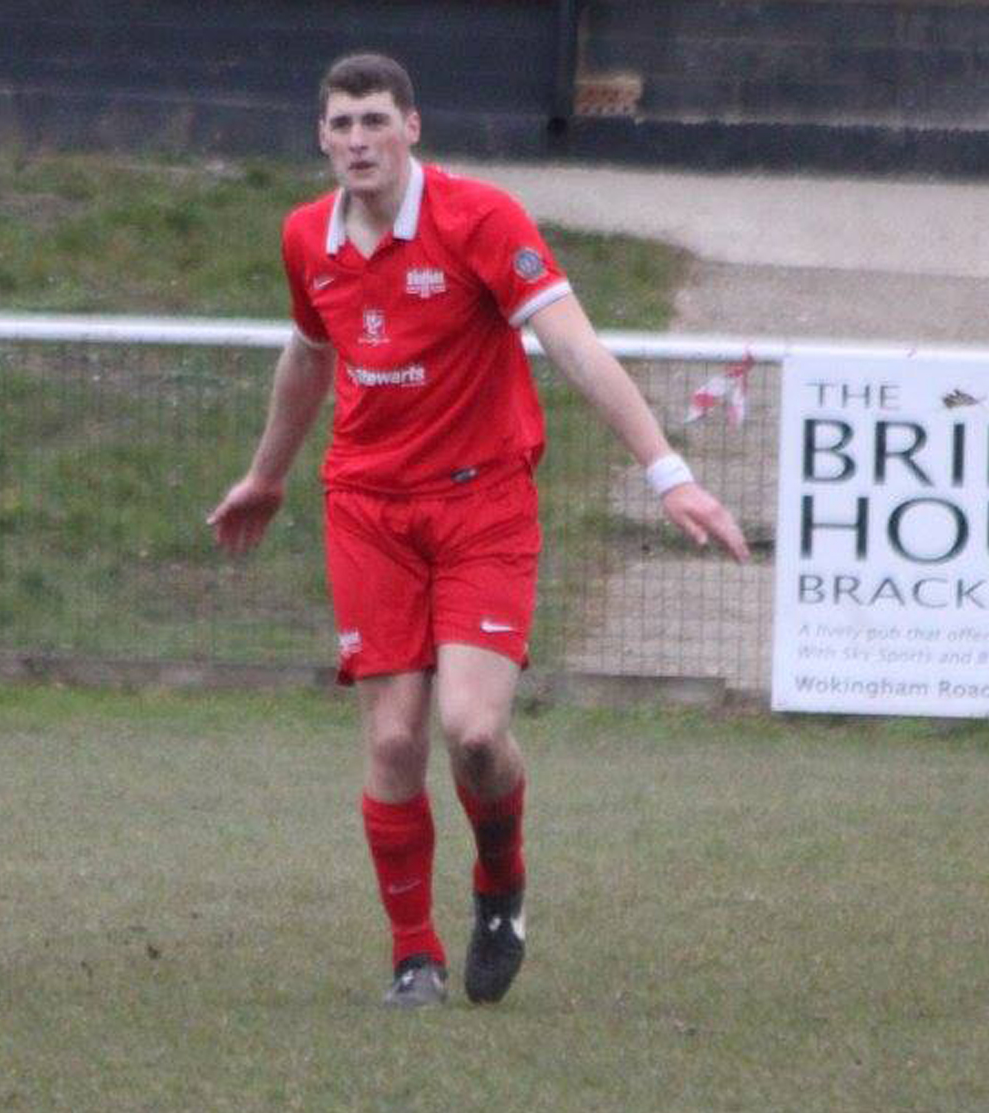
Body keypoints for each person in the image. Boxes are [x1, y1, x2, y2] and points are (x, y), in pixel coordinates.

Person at [209, 52, 748, 1008]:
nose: (359, 140)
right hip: (367, 508)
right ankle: (412, 956)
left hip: (480, 504)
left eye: (376, 120)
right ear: (321, 138)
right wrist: (266, 475)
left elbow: (576, 347)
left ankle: (500, 884)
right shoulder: (307, 238)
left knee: (473, 729)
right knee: (390, 744)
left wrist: (670, 474)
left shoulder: (480, 220)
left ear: (413, 128)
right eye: (341, 125)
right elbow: (307, 358)